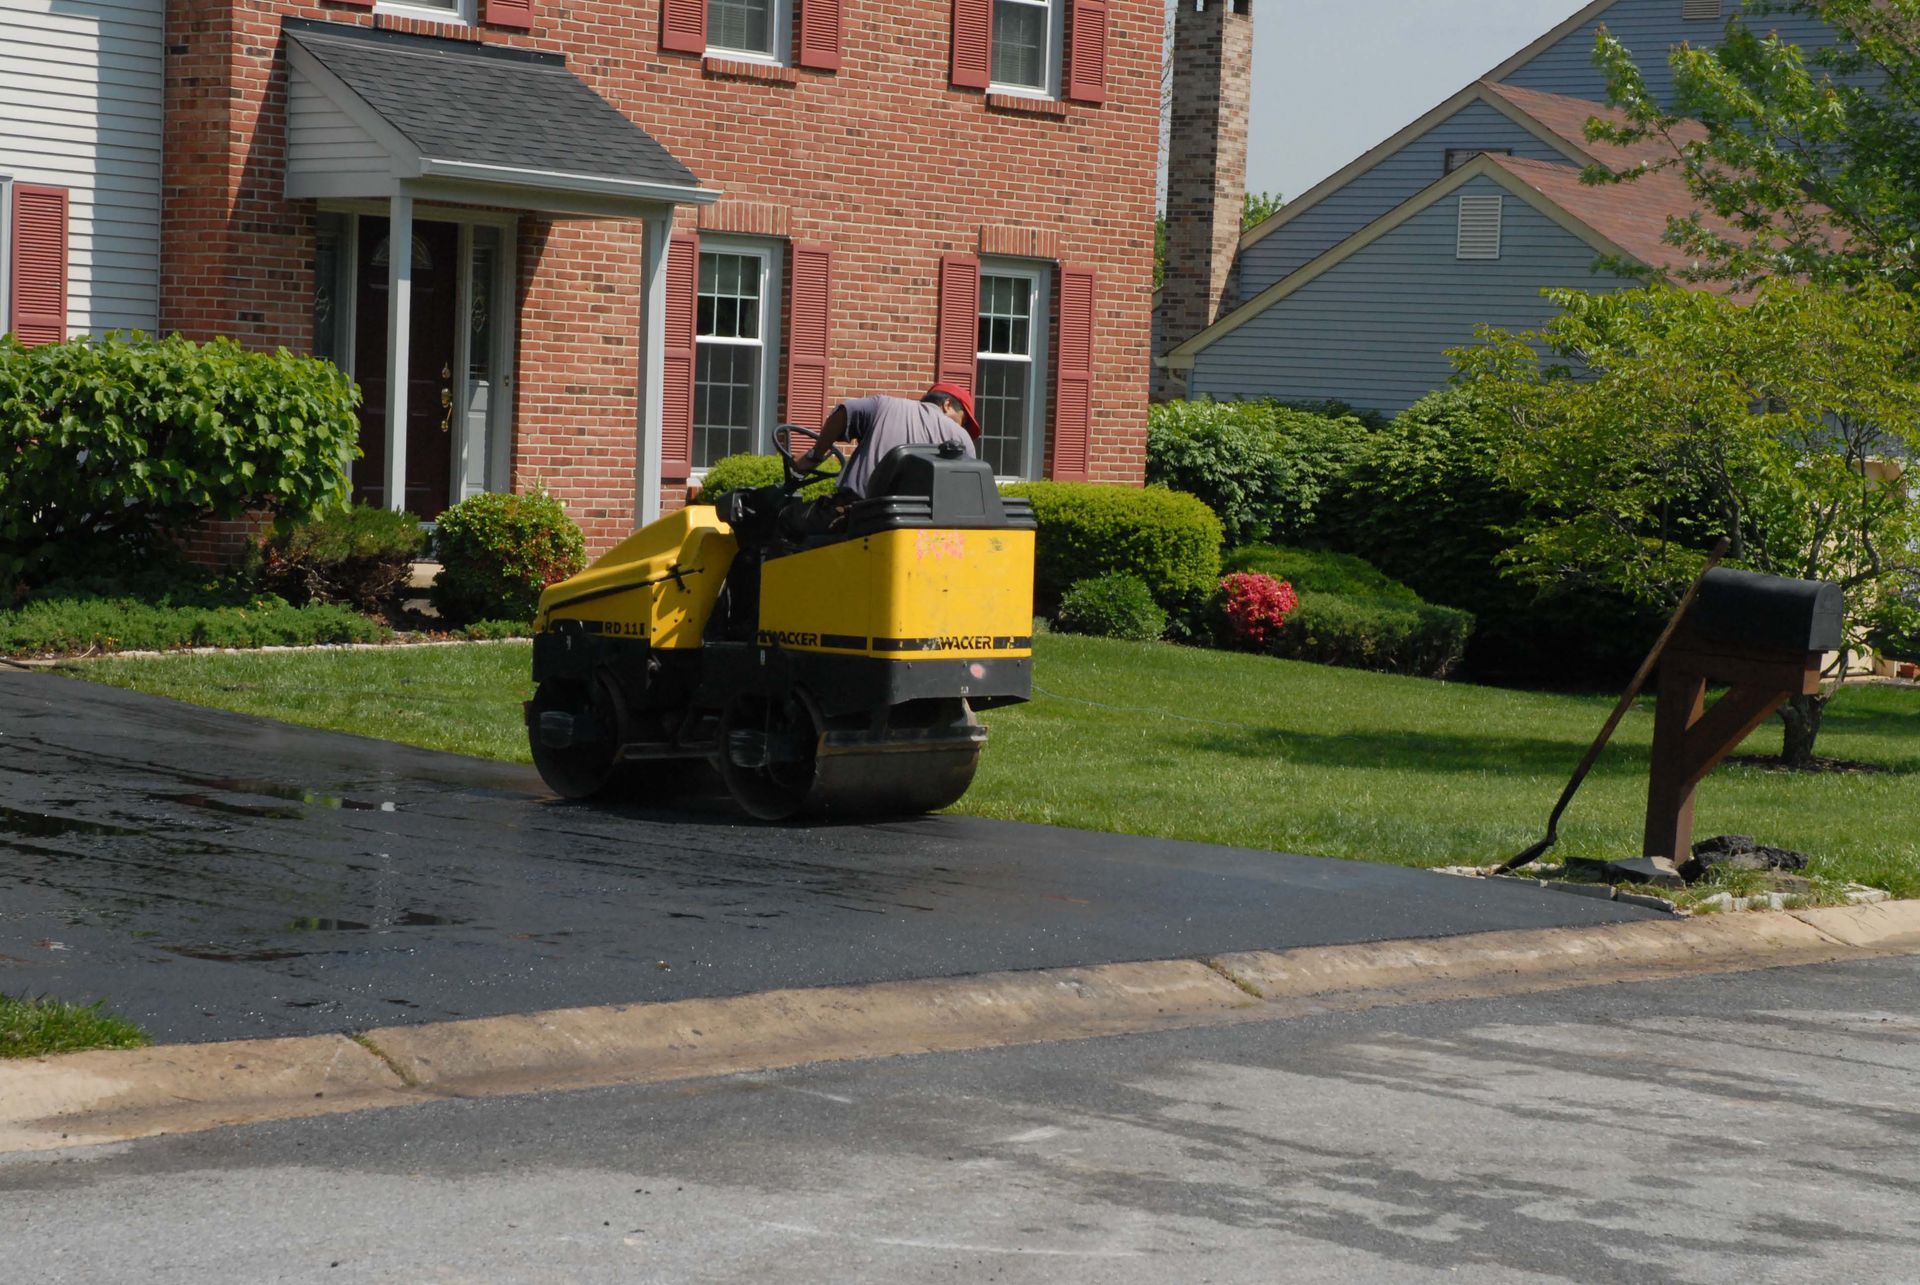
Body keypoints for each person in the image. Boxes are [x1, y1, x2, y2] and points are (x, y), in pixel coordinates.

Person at [792, 383, 981, 500]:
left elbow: (844, 412)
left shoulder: (884, 405)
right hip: (920, 529)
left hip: (857, 517)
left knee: (788, 521)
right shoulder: (963, 440)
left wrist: (814, 456)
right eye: (963, 420)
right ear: (947, 405)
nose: (961, 427)